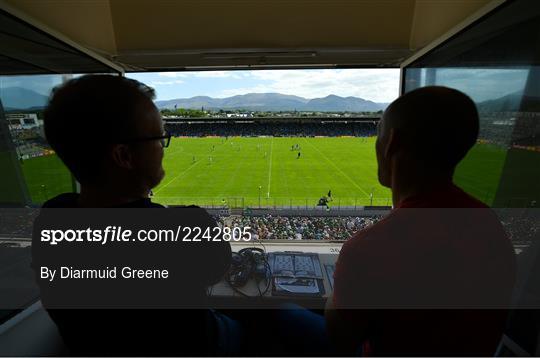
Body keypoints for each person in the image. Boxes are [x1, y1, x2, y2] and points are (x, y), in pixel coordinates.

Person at [31, 75, 240, 356]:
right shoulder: (185, 229)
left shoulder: (53, 217)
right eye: (159, 138)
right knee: (275, 318)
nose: (163, 148)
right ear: (124, 156)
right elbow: (220, 271)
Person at [325, 86, 516, 356]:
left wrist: (338, 288)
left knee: (275, 314)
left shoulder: (371, 247)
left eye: (378, 135)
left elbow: (340, 339)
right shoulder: (489, 226)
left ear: (392, 143)